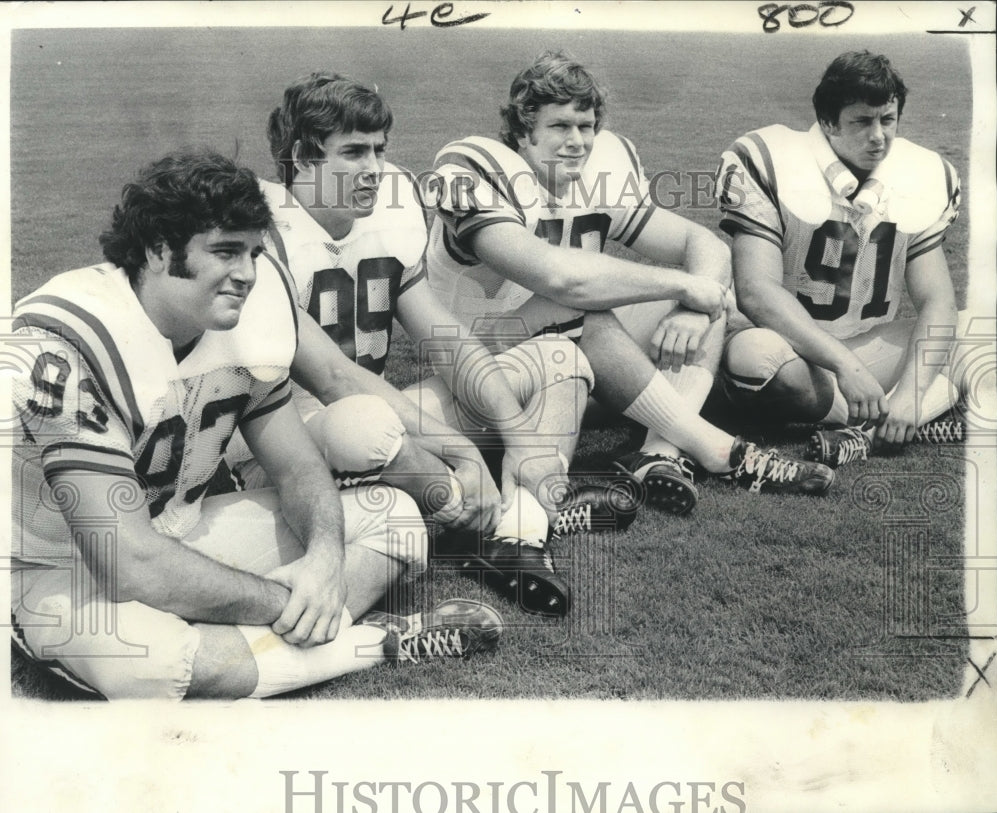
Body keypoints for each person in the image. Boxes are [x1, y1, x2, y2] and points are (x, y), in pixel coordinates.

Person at [9, 152, 501, 701]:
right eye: (225, 252)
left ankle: (246, 647)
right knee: (154, 665)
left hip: (177, 528)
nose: (246, 273)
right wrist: (286, 599)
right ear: (157, 250)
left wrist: (324, 559)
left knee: (396, 520)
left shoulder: (256, 303)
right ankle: (368, 643)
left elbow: (296, 469)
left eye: (253, 252)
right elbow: (127, 562)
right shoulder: (65, 338)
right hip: (61, 564)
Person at [230, 72, 627, 618]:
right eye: (353, 153)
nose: (374, 169)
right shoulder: (262, 232)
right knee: (363, 423)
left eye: (379, 150)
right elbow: (335, 379)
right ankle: (475, 514)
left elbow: (445, 341)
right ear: (301, 156)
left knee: (557, 357)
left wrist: (519, 439)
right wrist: (461, 452)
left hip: (377, 430)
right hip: (282, 449)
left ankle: (517, 533)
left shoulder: (390, 212)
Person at [424, 50, 834, 509]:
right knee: (581, 305)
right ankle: (718, 449)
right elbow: (561, 280)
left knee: (709, 298)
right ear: (523, 131)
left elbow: (706, 246)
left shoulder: (598, 170)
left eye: (586, 126)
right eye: (559, 127)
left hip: (572, 364)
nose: (577, 141)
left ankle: (658, 454)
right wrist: (680, 286)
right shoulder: (479, 169)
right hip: (480, 366)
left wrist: (694, 307)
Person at [718, 50, 972, 467]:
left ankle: (877, 427)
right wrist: (846, 366)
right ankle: (917, 413)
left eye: (887, 120)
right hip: (790, 350)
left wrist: (908, 392)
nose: (878, 136)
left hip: (868, 344)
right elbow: (755, 291)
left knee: (980, 327)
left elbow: (937, 300)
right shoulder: (770, 159)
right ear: (828, 122)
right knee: (754, 358)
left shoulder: (921, 173)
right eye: (862, 121)